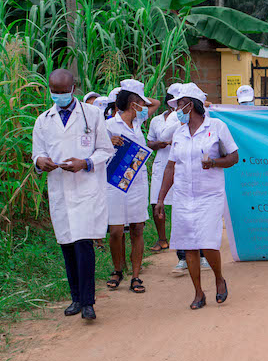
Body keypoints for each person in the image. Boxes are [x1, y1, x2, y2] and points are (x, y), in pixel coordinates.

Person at [31, 69, 114, 320]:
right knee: (67, 246)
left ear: (74, 88)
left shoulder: (93, 115)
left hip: (86, 188)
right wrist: (40, 162)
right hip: (60, 189)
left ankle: (88, 303)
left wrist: (85, 162)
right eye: (54, 92)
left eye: (62, 92)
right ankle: (75, 298)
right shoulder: (43, 120)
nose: (58, 97)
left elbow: (106, 150)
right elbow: (37, 154)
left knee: (83, 245)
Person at [155, 83, 240, 309]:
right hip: (184, 195)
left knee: (208, 241)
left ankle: (219, 278)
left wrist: (214, 162)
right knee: (188, 244)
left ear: (190, 106)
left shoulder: (217, 126)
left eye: (179, 106)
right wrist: (161, 198)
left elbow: (233, 157)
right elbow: (171, 167)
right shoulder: (179, 133)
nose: (176, 112)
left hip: (209, 195)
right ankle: (198, 293)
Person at [105, 79, 160, 293]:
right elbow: (94, 148)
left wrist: (139, 99)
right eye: (140, 103)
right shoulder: (109, 125)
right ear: (132, 103)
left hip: (137, 182)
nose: (145, 107)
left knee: (138, 228)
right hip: (116, 183)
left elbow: (154, 104)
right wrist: (109, 143)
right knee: (117, 230)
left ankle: (136, 276)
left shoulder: (137, 123)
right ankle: (118, 269)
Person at [147, 83, 182, 253]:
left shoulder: (183, 117)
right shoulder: (156, 120)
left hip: (179, 163)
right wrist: (158, 144)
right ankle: (162, 239)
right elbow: (150, 141)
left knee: (179, 203)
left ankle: (180, 240)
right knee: (156, 202)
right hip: (161, 162)